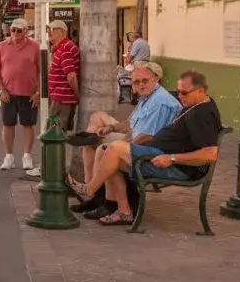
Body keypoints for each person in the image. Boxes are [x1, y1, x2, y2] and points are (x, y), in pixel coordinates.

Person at [69, 71, 222, 226]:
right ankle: (123, 211)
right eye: (178, 92)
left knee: (114, 149)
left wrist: (171, 158)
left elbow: (210, 154)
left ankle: (88, 190)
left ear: (201, 91)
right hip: (158, 153)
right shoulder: (194, 104)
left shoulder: (202, 115)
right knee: (107, 152)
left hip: (176, 167)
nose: (180, 96)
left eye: (184, 93)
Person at [67, 61, 182, 217]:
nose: (141, 85)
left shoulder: (159, 101)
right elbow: (131, 123)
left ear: (156, 79)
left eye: (145, 81)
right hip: (138, 139)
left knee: (107, 150)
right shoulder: (148, 97)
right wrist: (111, 128)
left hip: (154, 151)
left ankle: (91, 191)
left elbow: (148, 136)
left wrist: (122, 146)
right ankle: (101, 197)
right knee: (97, 130)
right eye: (136, 82)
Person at [0, 18, 41, 170]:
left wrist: (39, 92)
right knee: (8, 125)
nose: (15, 33)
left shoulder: (35, 46)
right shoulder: (2, 46)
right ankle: (9, 157)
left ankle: (27, 156)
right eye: (13, 30)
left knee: (28, 125)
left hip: (29, 94)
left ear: (26, 31)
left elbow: (42, 70)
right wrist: (1, 90)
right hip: (8, 93)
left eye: (19, 30)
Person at [47, 20, 80, 131]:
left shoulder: (65, 48)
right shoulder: (61, 48)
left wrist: (77, 94)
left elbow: (71, 76)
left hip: (62, 98)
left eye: (51, 30)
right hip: (60, 98)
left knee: (55, 134)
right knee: (57, 134)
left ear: (61, 31)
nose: (49, 33)